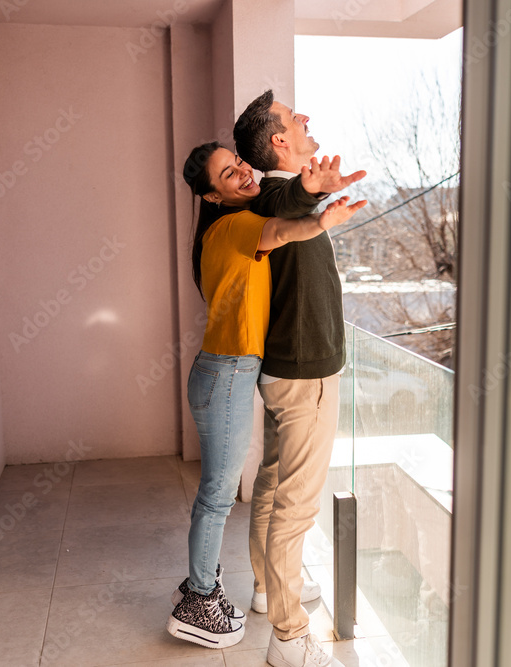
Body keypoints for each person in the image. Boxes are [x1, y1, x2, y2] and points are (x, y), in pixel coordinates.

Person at [167, 141, 365, 650]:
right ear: (213, 197)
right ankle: (199, 600)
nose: (244, 173)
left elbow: (275, 225)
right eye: (229, 175)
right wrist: (322, 220)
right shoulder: (232, 226)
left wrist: (314, 212)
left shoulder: (228, 227)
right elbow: (279, 231)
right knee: (216, 496)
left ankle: (214, 589)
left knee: (226, 492)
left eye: (239, 164)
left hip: (227, 372)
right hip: (228, 374)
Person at [233, 90, 357, 667]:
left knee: (275, 480)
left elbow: (291, 200)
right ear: (279, 141)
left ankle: (265, 588)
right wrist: (310, 187)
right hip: (305, 376)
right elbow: (288, 193)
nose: (305, 115)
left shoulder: (277, 199)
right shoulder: (275, 194)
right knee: (296, 505)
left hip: (290, 370)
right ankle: (288, 637)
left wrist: (312, 194)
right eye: (293, 116)